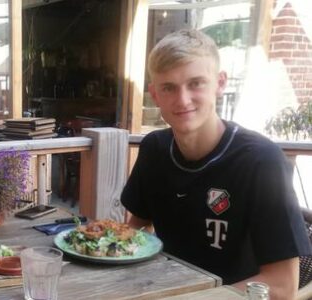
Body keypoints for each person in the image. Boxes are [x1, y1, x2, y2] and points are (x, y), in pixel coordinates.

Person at [121, 29, 311, 299]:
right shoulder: (154, 148)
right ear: (154, 94)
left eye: (196, 83)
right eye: (168, 88)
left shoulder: (262, 161)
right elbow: (137, 229)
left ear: (220, 83)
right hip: (162, 288)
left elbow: (282, 285)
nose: (183, 99)